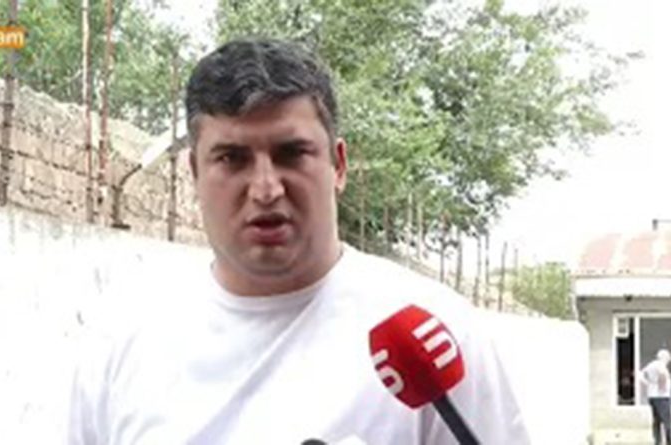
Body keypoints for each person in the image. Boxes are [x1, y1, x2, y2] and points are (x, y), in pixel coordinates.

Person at [67, 37, 530, 444]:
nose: (266, 189)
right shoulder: (122, 345)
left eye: (292, 153)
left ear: (338, 165)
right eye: (232, 158)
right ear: (194, 172)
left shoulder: (435, 336)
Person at [640, 349, 671, 445]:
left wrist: (648, 384)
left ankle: (657, 441)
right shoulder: (660, 365)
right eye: (668, 359)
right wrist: (662, 386)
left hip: (652, 396)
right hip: (662, 397)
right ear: (664, 358)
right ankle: (669, 440)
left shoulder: (651, 365)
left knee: (656, 420)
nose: (668, 361)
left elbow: (640, 375)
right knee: (667, 420)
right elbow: (662, 374)